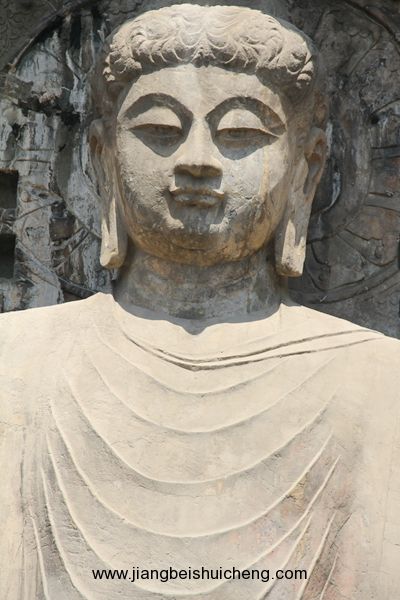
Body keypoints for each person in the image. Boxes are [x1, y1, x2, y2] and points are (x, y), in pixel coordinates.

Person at [1, 4, 399, 599]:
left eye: (241, 133)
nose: (196, 160)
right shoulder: (16, 362)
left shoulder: (379, 381)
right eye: (159, 130)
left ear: (306, 167)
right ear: (103, 156)